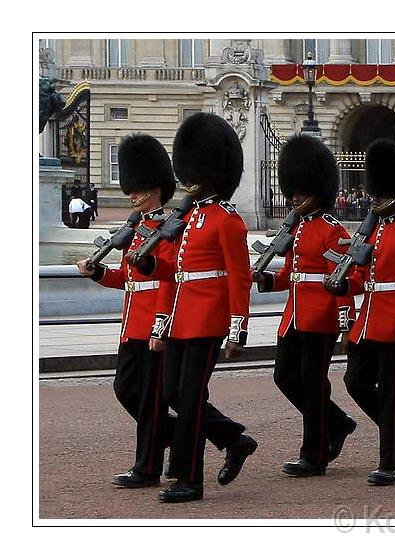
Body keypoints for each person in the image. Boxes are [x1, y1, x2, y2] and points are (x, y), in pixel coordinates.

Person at [150, 113, 257, 503]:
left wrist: (237, 327)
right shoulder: (186, 218)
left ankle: (189, 478)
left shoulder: (227, 220)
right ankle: (233, 438)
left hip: (208, 318)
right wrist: (150, 266)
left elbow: (238, 276)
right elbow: (174, 271)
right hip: (180, 316)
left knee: (191, 396)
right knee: (173, 395)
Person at [325, 139, 395, 486]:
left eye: (379, 191)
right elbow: (361, 278)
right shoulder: (372, 231)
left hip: (393, 323)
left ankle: (391, 461)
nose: (372, 197)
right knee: (355, 383)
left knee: (391, 393)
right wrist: (343, 285)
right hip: (367, 322)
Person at [76, 134, 177, 488]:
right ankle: (178, 433)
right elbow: (126, 278)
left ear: (156, 189)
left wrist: (160, 326)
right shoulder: (134, 230)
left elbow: (167, 279)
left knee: (150, 400)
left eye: (138, 190)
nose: (132, 196)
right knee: (125, 389)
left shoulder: (167, 230)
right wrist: (98, 273)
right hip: (132, 322)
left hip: (152, 322)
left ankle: (148, 468)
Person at [254, 135, 357, 477]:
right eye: (292, 191)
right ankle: (337, 422)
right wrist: (267, 281)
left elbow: (341, 278)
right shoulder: (296, 229)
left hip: (320, 316)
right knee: (284, 377)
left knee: (314, 384)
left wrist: (345, 318)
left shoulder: (333, 230)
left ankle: (314, 454)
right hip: (294, 316)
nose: (295, 196)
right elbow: (290, 274)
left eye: (301, 190)